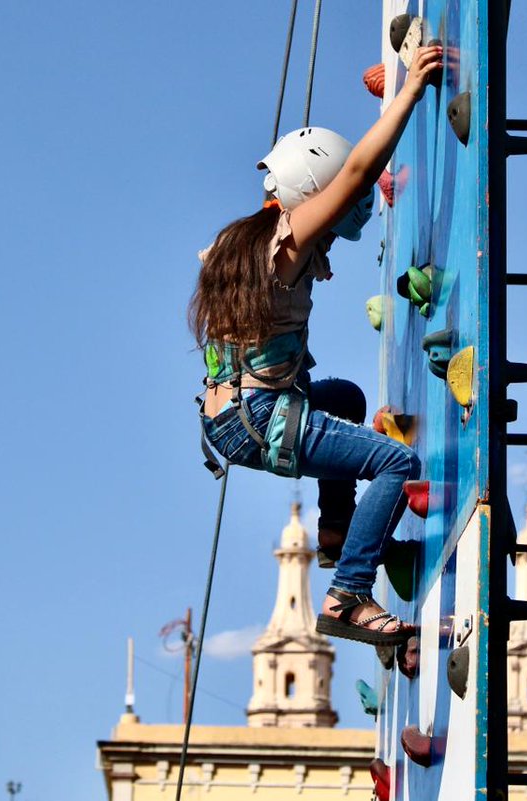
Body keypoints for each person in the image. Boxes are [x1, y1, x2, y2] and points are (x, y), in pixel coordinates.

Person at [191, 46, 444, 647]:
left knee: (347, 398)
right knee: (397, 463)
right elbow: (356, 171)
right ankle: (348, 595)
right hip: (260, 417)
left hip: (229, 414)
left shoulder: (238, 242)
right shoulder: (289, 235)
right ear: (315, 198)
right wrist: (405, 95)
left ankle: (337, 535)